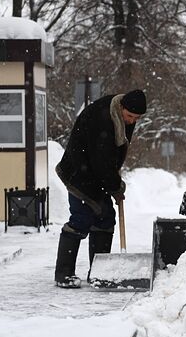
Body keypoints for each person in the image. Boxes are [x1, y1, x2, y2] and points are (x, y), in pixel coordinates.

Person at [53, 89, 147, 288]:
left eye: (136, 118)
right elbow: (101, 159)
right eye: (130, 116)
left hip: (96, 174)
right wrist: (115, 187)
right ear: (121, 107)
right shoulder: (102, 119)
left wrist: (114, 181)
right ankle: (63, 273)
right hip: (79, 173)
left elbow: (112, 155)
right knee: (81, 219)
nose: (132, 121)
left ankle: (98, 272)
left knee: (105, 219)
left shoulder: (121, 115)